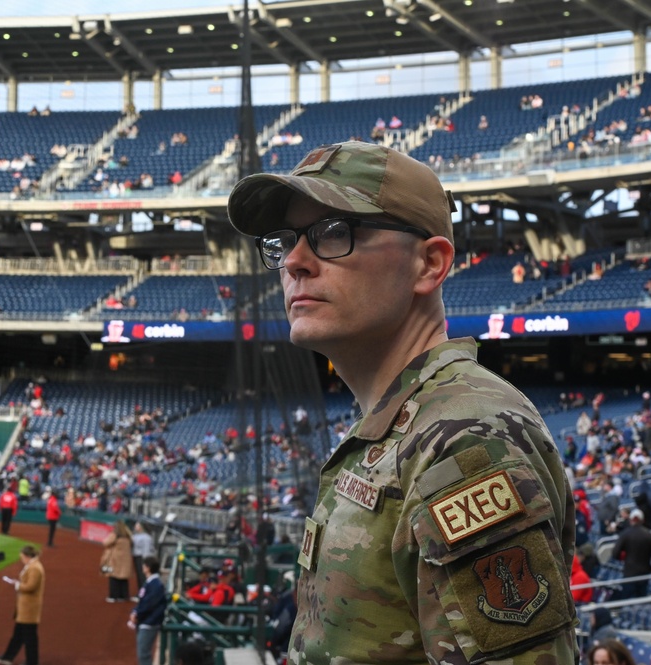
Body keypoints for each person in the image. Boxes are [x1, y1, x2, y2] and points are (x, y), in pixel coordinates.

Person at [227, 140, 577, 663]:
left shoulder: (464, 438)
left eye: (332, 233)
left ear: (429, 264)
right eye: (284, 241)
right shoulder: (405, 418)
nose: (295, 262)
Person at [0, 545, 45, 665]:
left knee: (30, 638)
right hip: (25, 608)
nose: (21, 559)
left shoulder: (35, 568)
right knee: (19, 635)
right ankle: (8, 657)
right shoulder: (32, 566)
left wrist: (17, 585)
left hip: (29, 609)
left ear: (27, 556)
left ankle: (31, 662)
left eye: (22, 557)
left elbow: (31, 586)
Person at [612, 508, 651, 599]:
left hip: (629, 573)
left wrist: (623, 558)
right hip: (644, 573)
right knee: (641, 603)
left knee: (627, 601)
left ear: (631, 520)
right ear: (642, 520)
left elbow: (615, 553)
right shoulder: (649, 535)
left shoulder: (625, 534)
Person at [129, 556, 167, 665]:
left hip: (149, 622)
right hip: (145, 621)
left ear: (148, 568)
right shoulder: (150, 583)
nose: (142, 567)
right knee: (142, 653)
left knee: (143, 654)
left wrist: (137, 613)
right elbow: (143, 601)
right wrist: (135, 611)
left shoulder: (155, 584)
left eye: (144, 565)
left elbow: (149, 604)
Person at [103, 520, 134, 602]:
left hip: (116, 559)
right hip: (126, 560)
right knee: (123, 579)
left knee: (113, 577)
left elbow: (105, 543)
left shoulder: (115, 535)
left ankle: (113, 596)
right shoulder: (128, 536)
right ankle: (123, 596)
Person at [131, 522, 155, 597]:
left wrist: (145, 562)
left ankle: (143, 594)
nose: (135, 526)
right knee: (139, 576)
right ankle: (141, 592)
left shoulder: (146, 537)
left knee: (142, 577)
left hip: (142, 558)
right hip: (137, 557)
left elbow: (146, 550)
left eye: (137, 525)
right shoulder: (136, 535)